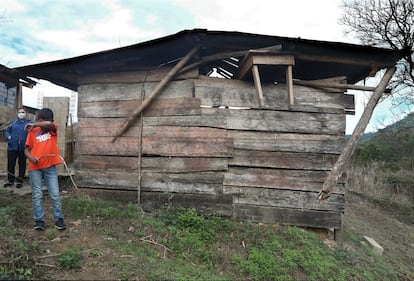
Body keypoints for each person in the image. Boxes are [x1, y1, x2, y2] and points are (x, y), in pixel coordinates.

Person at [24, 108, 66, 230]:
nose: (37, 121)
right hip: (34, 168)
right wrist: (31, 158)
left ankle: (59, 219)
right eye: (37, 120)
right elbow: (26, 150)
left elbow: (49, 124)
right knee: (37, 195)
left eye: (38, 120)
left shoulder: (52, 130)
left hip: (50, 168)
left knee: (55, 194)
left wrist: (34, 123)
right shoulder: (32, 132)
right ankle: (39, 221)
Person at [4, 107, 33, 188]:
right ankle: (10, 181)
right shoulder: (13, 123)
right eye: (19, 112)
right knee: (11, 164)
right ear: (17, 114)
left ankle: (20, 181)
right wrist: (8, 136)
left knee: (22, 164)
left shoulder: (29, 123)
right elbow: (7, 131)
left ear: (26, 113)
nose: (21, 114)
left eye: (23, 112)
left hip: (23, 148)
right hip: (12, 147)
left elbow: (34, 129)